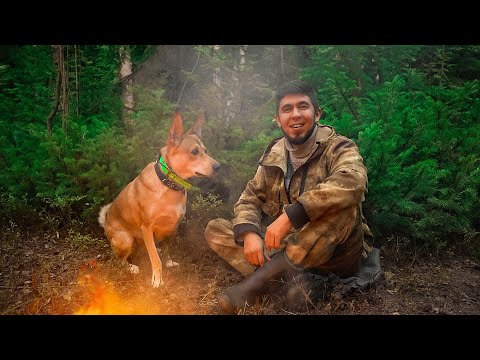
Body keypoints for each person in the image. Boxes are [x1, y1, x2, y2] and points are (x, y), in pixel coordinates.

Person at [204, 79, 376, 314]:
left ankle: (256, 284)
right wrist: (250, 233)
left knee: (342, 208)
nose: (295, 114)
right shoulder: (274, 156)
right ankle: (294, 279)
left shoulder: (338, 147)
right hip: (289, 249)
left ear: (316, 114)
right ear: (278, 120)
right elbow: (249, 197)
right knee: (216, 228)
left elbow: (353, 182)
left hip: (336, 253)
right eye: (287, 109)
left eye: (302, 107)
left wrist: (289, 217)